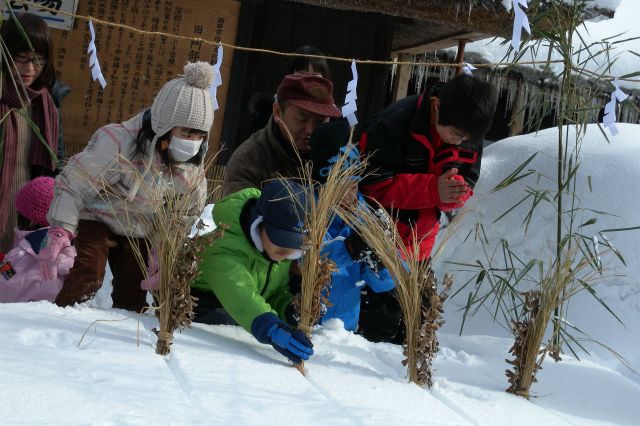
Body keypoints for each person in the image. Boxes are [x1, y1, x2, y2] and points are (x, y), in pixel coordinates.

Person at [44, 62, 213, 311]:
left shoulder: (191, 167)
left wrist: (163, 248)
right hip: (97, 217)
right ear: (164, 125)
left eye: (200, 135)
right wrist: (61, 230)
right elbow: (75, 183)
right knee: (89, 276)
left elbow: (185, 212)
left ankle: (121, 341)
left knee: (134, 291)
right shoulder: (119, 142)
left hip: (141, 229)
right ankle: (60, 320)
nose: (193, 142)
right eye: (187, 133)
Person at [359, 74, 498, 260]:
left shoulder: (470, 132)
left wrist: (455, 191)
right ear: (437, 106)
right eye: (456, 134)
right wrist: (432, 190)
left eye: (468, 138)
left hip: (422, 244)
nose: (461, 141)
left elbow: (469, 179)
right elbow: (374, 187)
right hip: (377, 241)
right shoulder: (393, 122)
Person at [192, 179, 314, 364]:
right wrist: (272, 330)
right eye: (280, 237)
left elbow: (272, 294)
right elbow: (240, 294)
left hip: (240, 322)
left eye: (293, 242)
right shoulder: (224, 247)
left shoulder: (278, 253)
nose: (287, 250)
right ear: (259, 221)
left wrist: (290, 309)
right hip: (199, 319)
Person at [302, 121, 399, 339]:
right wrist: (351, 248)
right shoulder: (305, 210)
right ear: (321, 185)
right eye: (339, 187)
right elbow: (307, 259)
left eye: (353, 186)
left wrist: (381, 264)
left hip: (345, 333)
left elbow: (388, 284)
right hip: (306, 326)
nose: (348, 196)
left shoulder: (368, 215)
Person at [223, 72, 342, 197]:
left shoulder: (339, 157)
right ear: (278, 112)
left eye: (319, 121)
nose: (310, 130)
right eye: (302, 118)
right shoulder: (249, 160)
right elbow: (237, 211)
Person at [0, 13, 59, 252]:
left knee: (11, 276)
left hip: (23, 214)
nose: (30, 68)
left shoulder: (45, 105)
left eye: (38, 60)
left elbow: (52, 167)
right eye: (22, 59)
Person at [0, 177, 75, 303]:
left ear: (31, 220)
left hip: (19, 317)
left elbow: (5, 283)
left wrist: (6, 263)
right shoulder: (65, 246)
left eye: (20, 213)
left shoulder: (27, 250)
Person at [242, 45, 332, 146]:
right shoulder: (267, 113)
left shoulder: (331, 116)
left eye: (314, 78)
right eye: (302, 117)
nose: (307, 82)